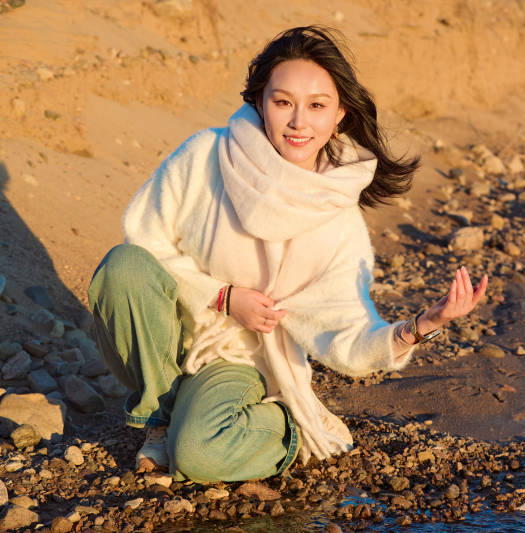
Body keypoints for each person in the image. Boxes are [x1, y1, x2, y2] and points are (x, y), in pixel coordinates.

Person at [87, 26, 488, 483]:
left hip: (235, 358)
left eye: (317, 106)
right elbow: (143, 242)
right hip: (157, 336)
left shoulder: (336, 219)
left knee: (199, 458)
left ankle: (286, 426)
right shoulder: (203, 156)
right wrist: (222, 297)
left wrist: (422, 327)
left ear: (339, 115)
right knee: (123, 267)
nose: (299, 122)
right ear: (259, 102)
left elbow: (347, 335)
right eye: (283, 102)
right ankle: (157, 418)